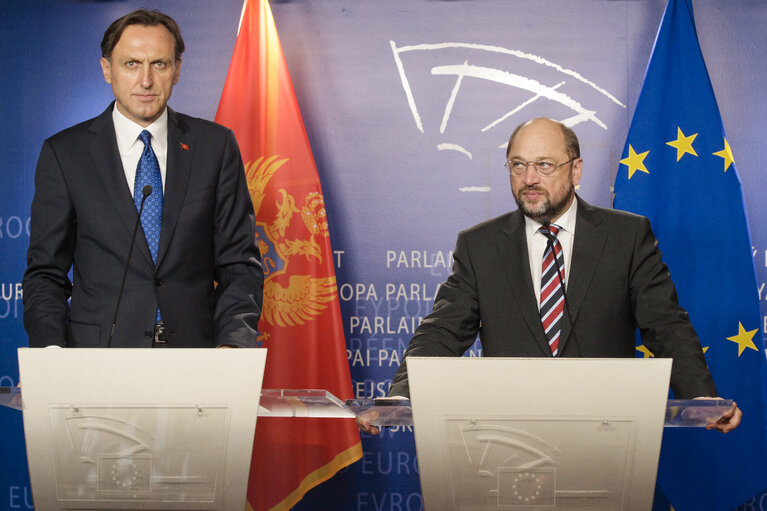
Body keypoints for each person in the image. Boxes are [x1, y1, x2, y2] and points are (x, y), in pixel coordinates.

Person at [360, 118, 740, 434]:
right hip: (510, 443)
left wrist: (699, 396)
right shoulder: (480, 246)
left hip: (605, 437)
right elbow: (442, 331)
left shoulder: (627, 237)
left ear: (575, 170)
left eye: (544, 165)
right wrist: (402, 396)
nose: (529, 178)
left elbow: (665, 324)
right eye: (518, 165)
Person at [22, 9, 263, 349]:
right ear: (107, 69)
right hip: (97, 359)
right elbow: (45, 274)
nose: (146, 80)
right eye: (131, 64)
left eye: (159, 64)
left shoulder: (215, 146)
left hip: (197, 359)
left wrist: (232, 347)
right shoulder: (65, 154)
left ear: (177, 69)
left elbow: (239, 264)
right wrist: (50, 354)